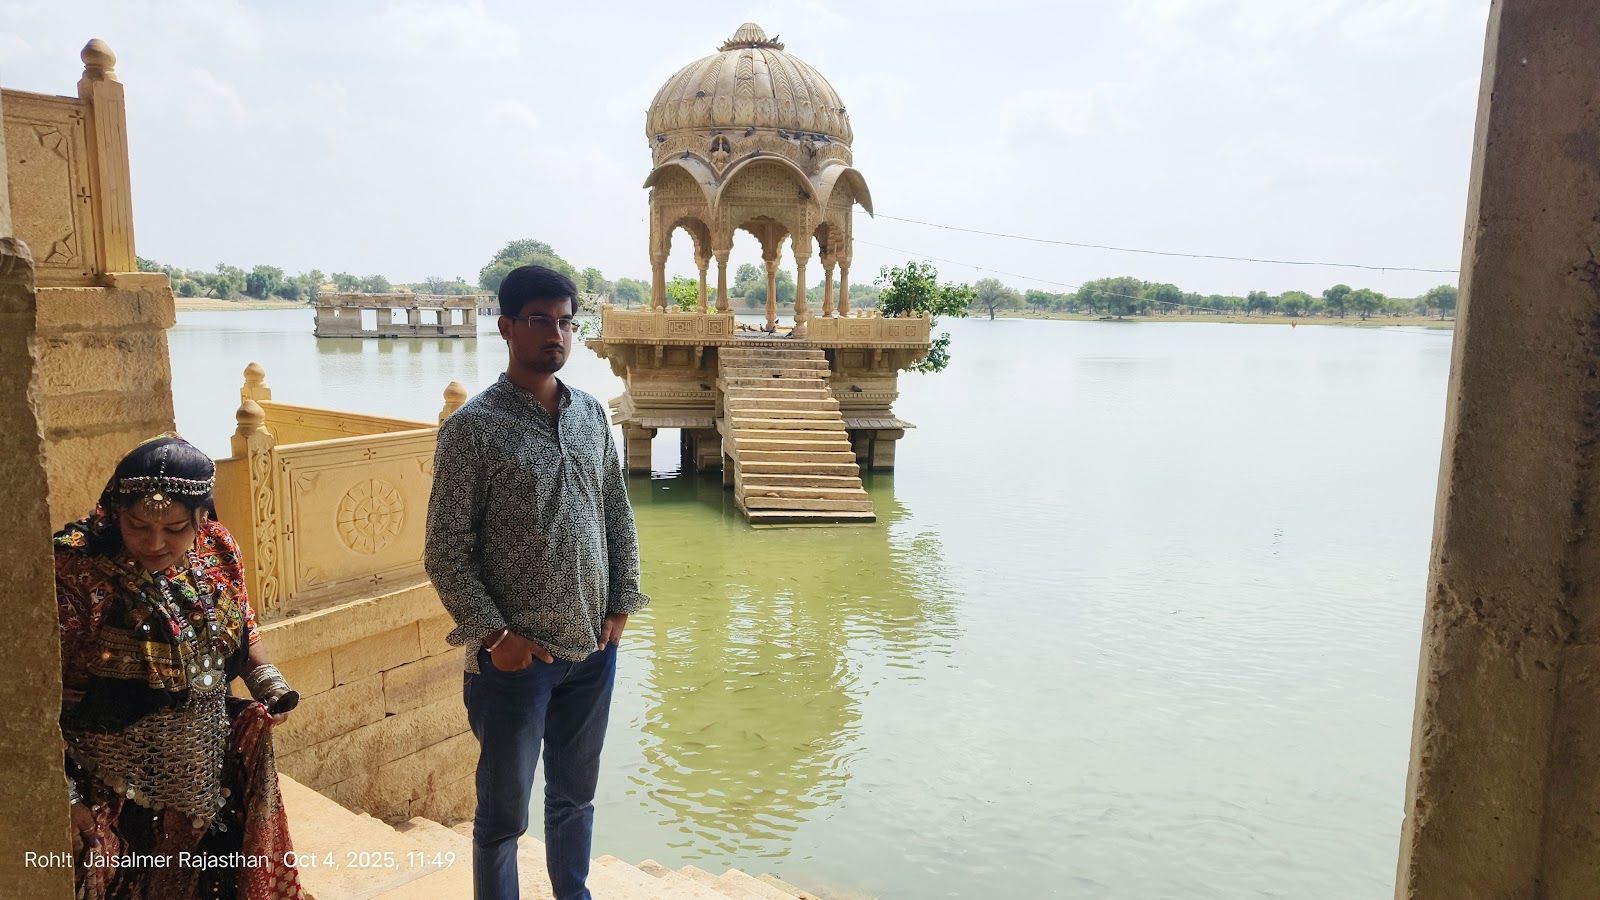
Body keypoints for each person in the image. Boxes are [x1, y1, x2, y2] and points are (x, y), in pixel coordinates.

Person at [425, 264, 649, 900]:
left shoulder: (588, 416)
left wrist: (621, 603)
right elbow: (445, 549)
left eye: (565, 321)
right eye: (540, 320)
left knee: (575, 799)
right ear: (506, 327)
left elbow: (615, 513)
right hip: (516, 665)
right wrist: (498, 636)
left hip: (591, 653)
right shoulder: (472, 428)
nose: (556, 333)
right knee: (503, 817)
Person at [56, 434, 305, 900]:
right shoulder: (76, 568)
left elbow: (242, 627)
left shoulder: (218, 550)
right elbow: (32, 702)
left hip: (209, 773)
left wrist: (267, 683)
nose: (155, 543)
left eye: (175, 529)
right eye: (137, 527)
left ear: (200, 516)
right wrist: (65, 798)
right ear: (115, 512)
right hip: (109, 784)